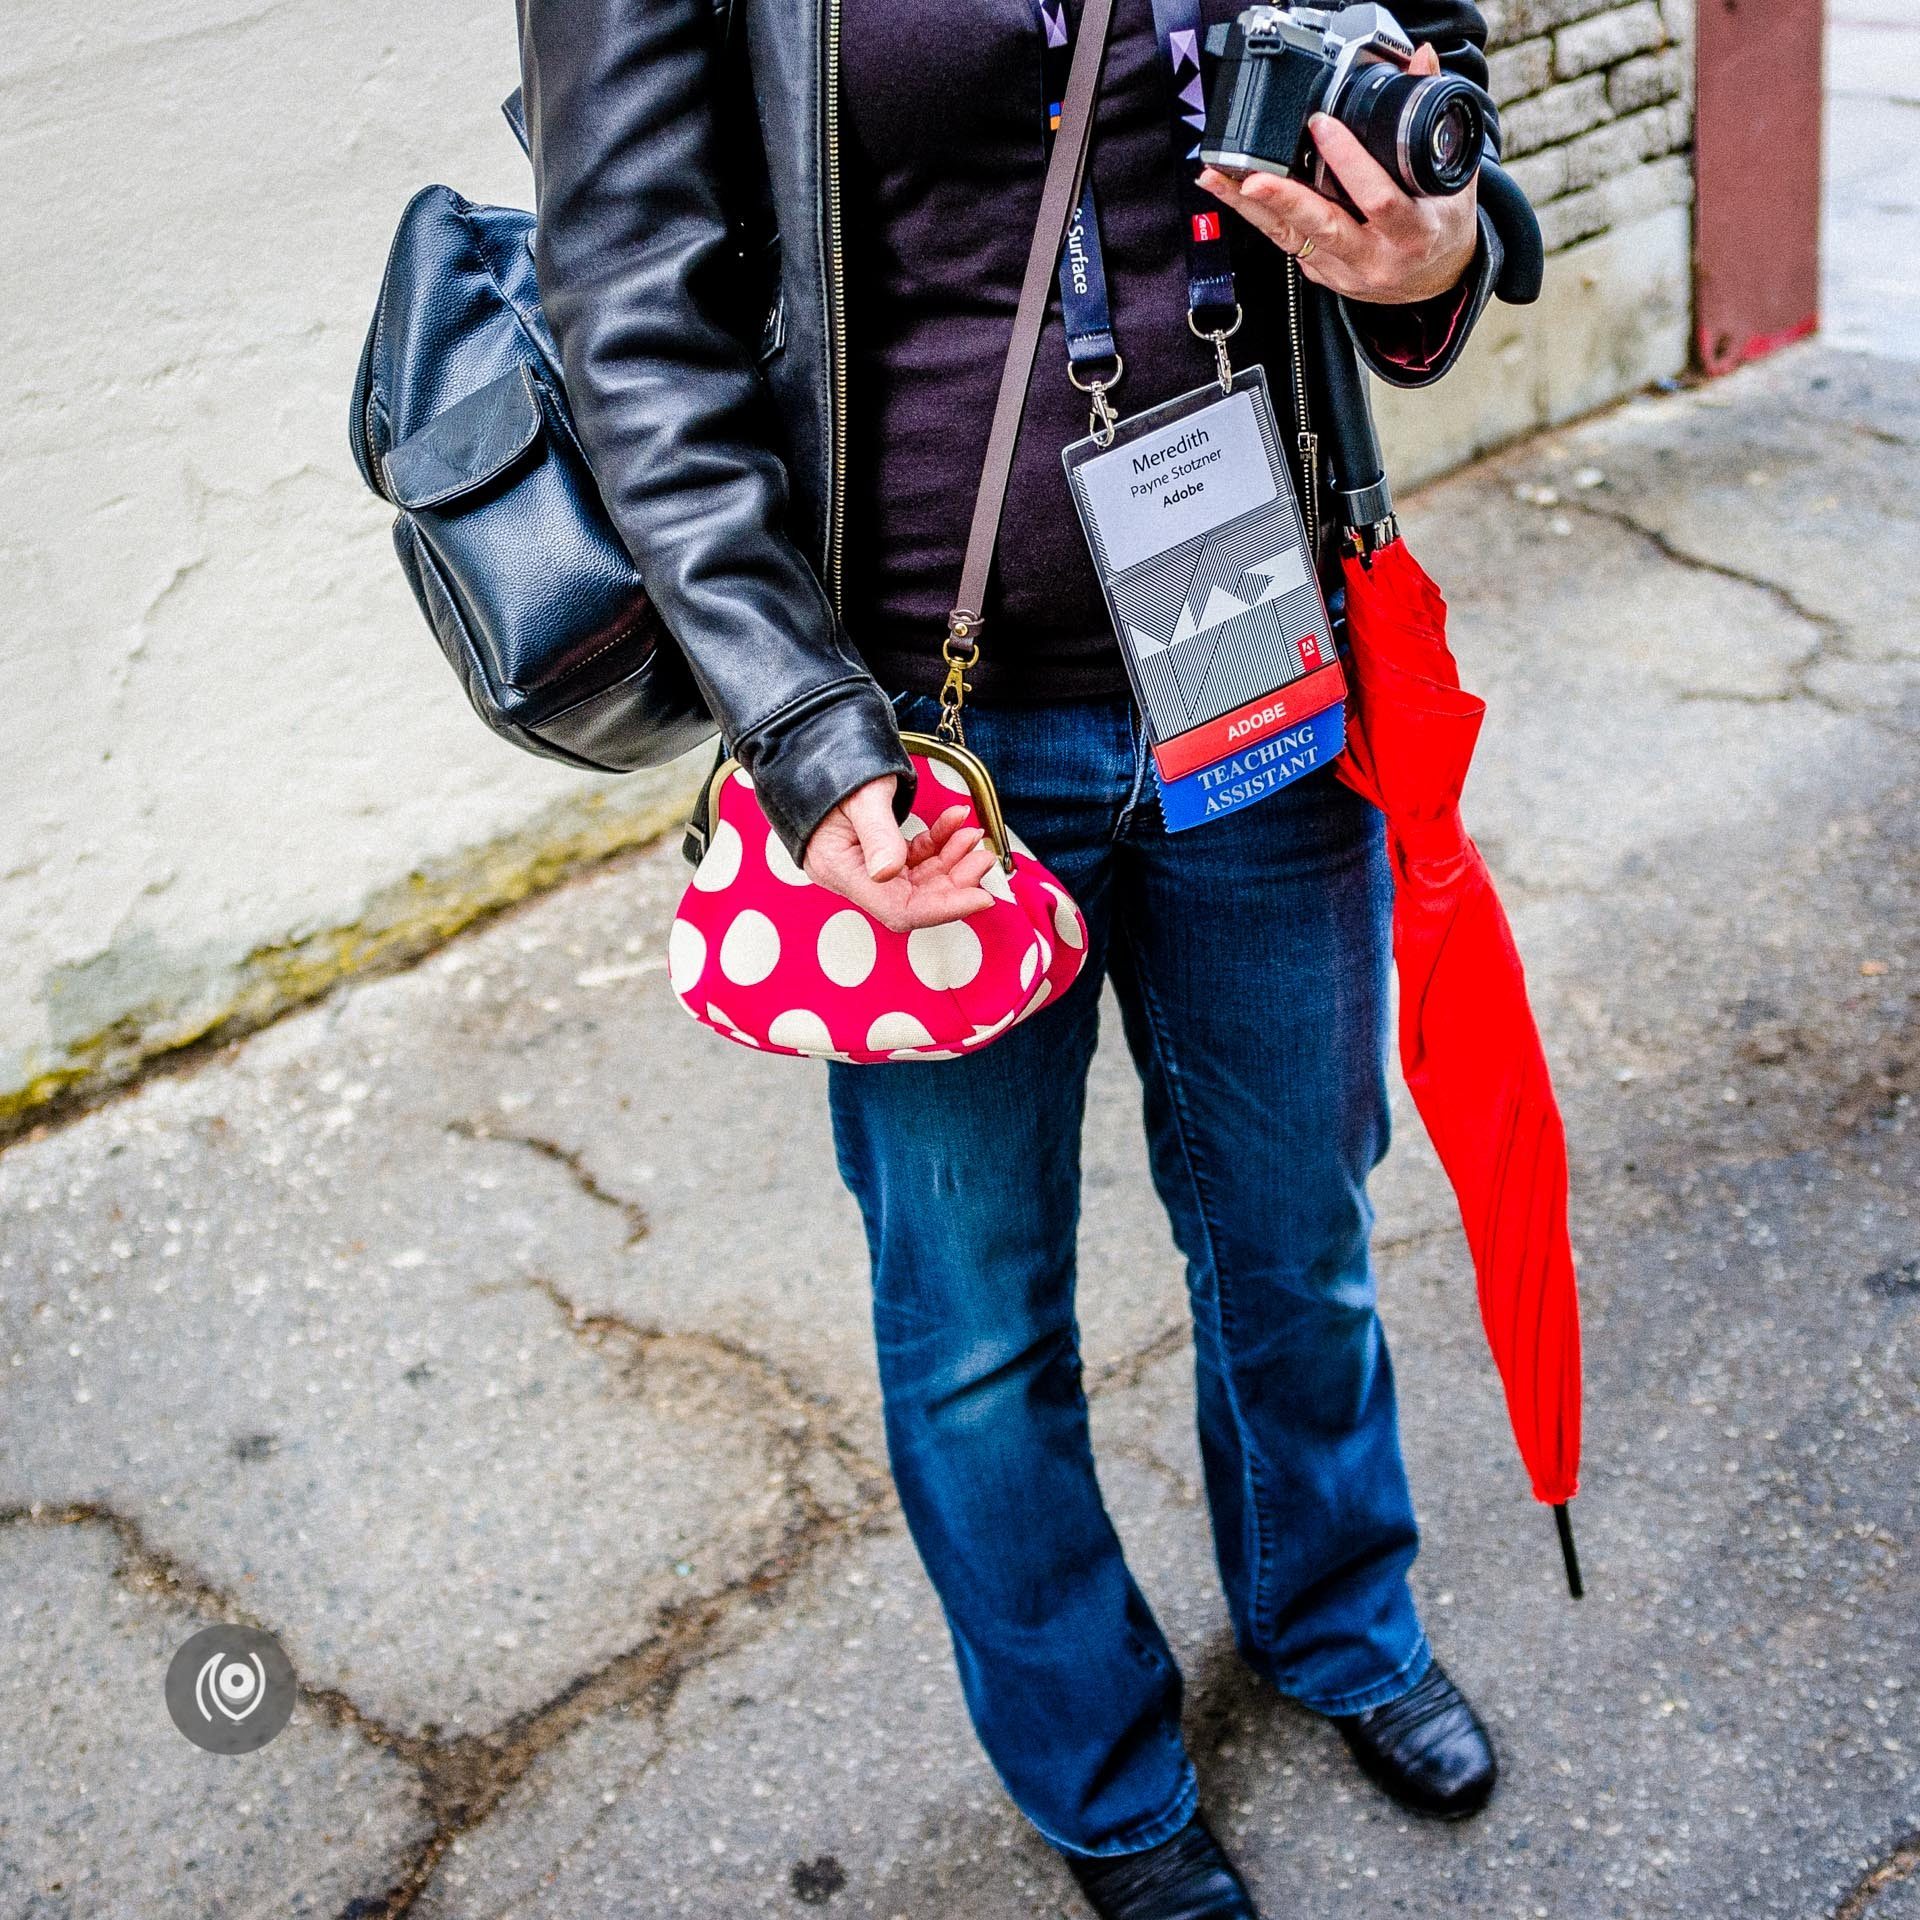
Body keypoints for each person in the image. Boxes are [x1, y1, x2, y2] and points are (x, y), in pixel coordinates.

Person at [519, 2, 1521, 1912]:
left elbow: (1430, 73)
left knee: (1300, 1231)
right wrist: (807, 733)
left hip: (1255, 646)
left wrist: (1437, 258)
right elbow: (629, 313)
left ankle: (1335, 1621)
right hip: (923, 746)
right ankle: (1105, 1777)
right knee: (978, 1327)